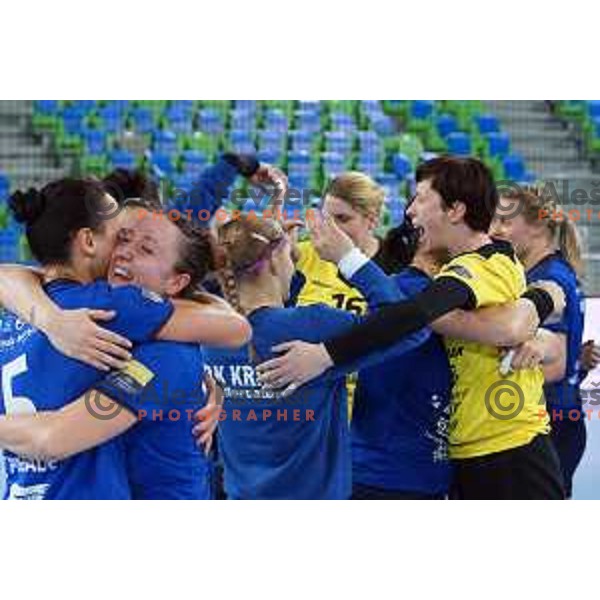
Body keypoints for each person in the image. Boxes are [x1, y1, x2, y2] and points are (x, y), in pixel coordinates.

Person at [257, 156, 567, 499]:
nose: (410, 211)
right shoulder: (465, 270)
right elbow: (494, 324)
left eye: (420, 198)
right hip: (464, 452)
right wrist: (542, 303)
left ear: (455, 210)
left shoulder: (483, 264)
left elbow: (415, 315)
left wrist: (325, 355)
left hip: (510, 449)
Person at [0, 179, 250, 499]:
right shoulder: (112, 309)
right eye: (122, 238)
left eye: (144, 248)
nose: (123, 254)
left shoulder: (14, 316)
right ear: (88, 242)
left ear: (177, 281)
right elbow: (235, 327)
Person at [204, 214, 431, 499]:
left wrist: (285, 263)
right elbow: (410, 327)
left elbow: (270, 320)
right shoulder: (314, 326)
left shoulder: (211, 334)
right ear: (274, 260)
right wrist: (349, 257)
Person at [491, 186, 586, 498]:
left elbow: (555, 364)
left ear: (537, 226)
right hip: (555, 417)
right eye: (493, 220)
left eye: (505, 221)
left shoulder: (549, 280)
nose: (495, 230)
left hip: (549, 421)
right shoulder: (548, 271)